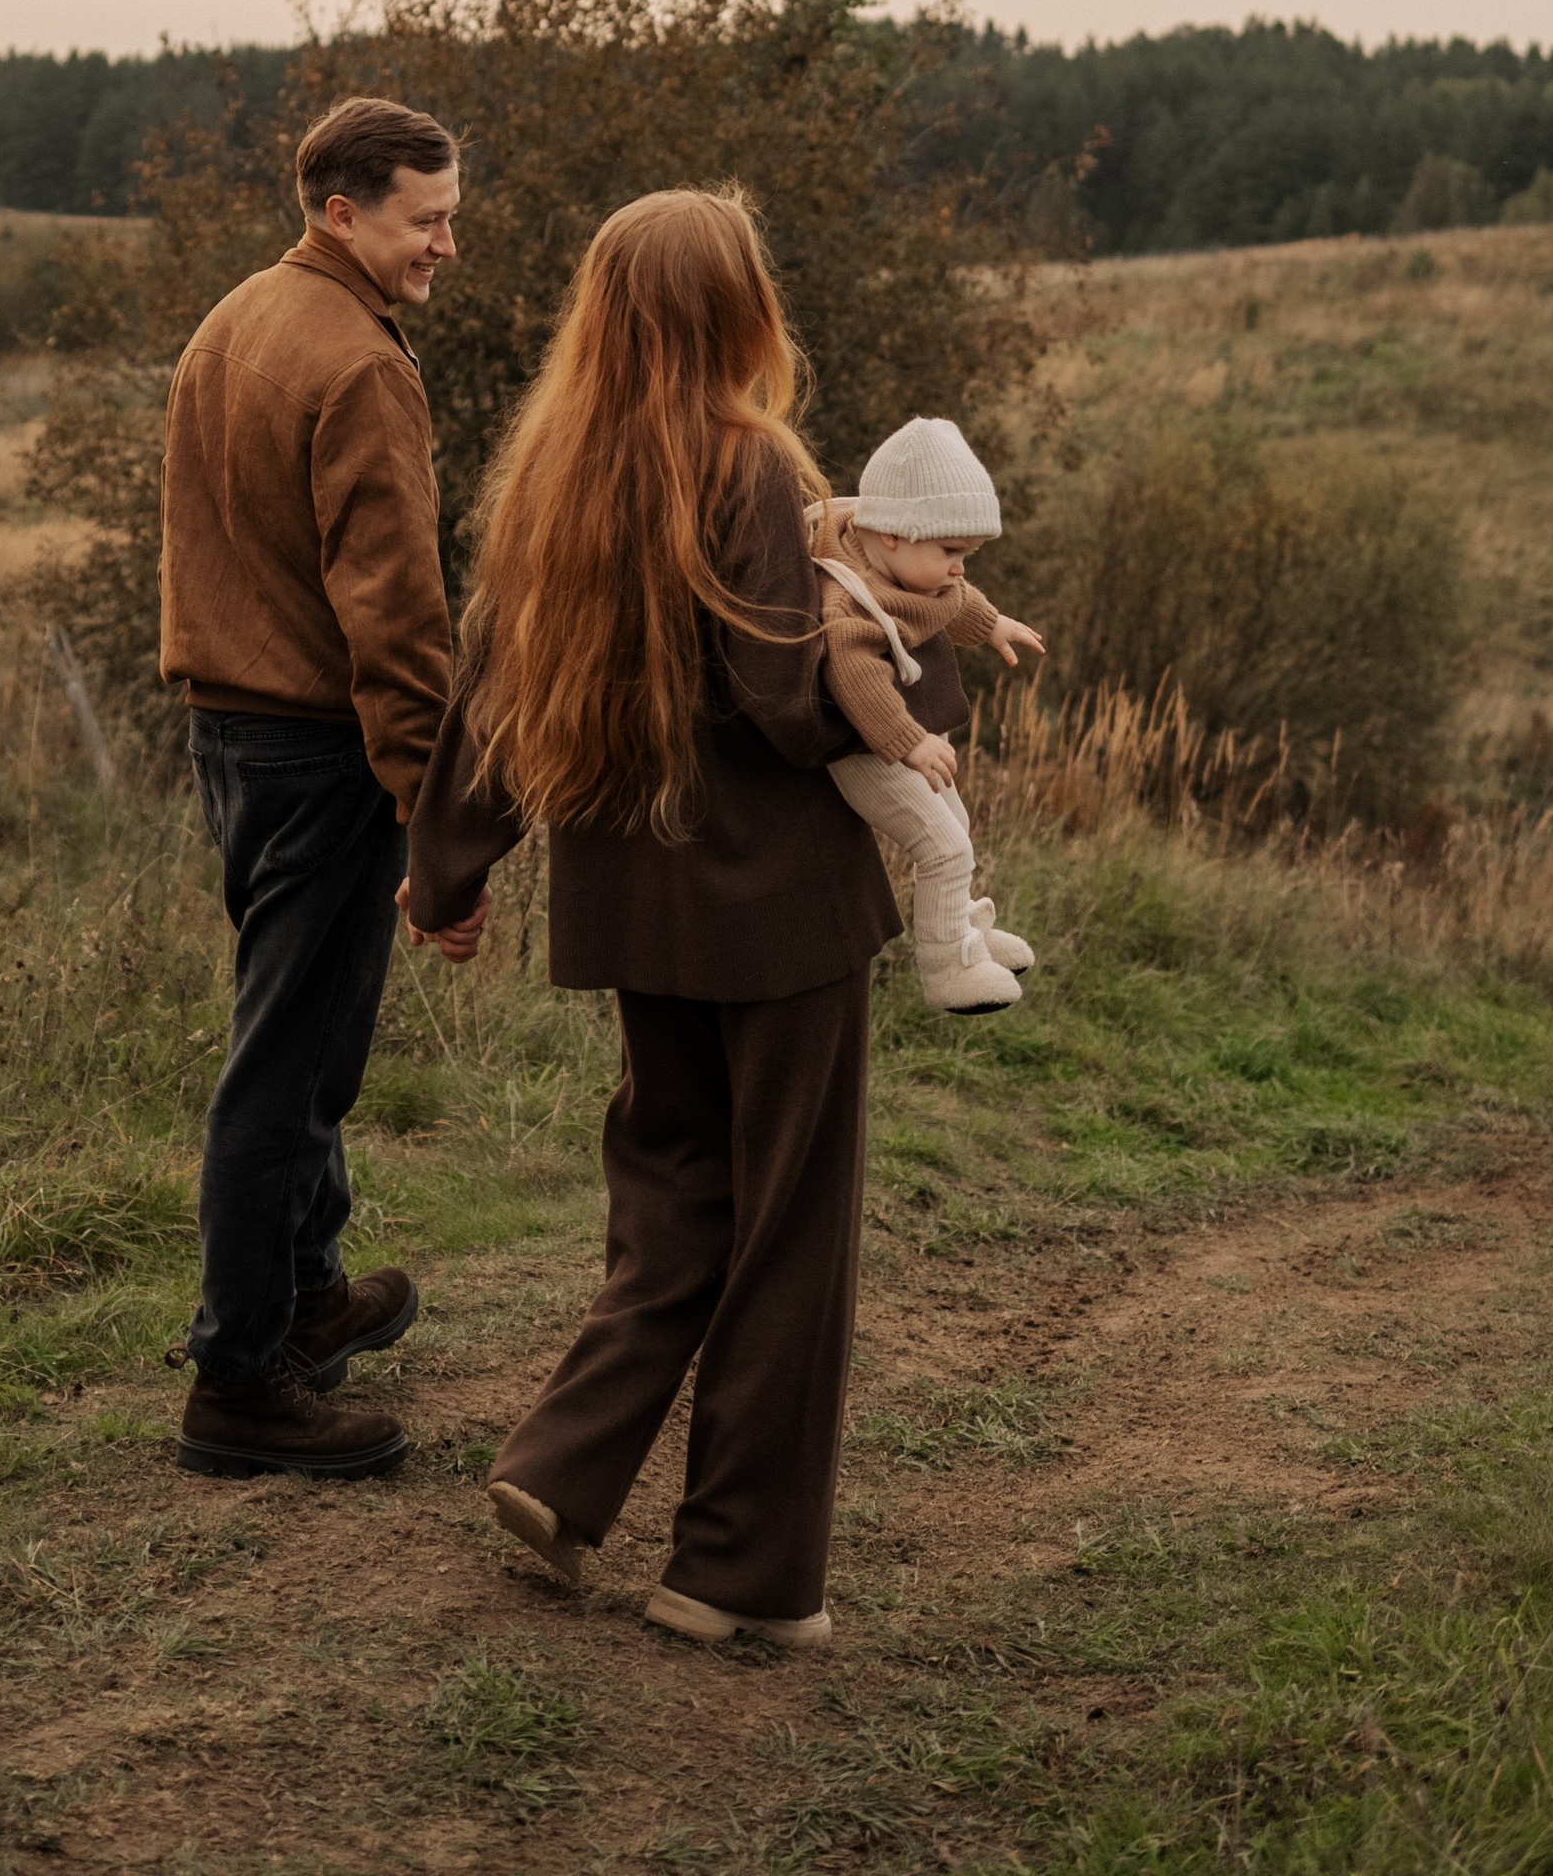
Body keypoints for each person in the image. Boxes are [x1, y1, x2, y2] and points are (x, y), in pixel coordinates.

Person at [405, 188, 894, 1649]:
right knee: (789, 1231)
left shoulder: (554, 466)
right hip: (778, 915)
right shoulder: (747, 465)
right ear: (740, 306)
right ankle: (733, 1578)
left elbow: (491, 694)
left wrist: (446, 871)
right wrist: (914, 679)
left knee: (677, 1198)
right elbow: (787, 704)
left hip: (634, 909)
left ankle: (559, 1472)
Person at [159, 91, 481, 1481]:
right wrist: (434, 813)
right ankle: (239, 1378)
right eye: (428, 219)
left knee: (305, 1042)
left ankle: (305, 1299)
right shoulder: (357, 364)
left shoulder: (235, 319)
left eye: (451, 217)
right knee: (289, 1063)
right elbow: (398, 616)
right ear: (342, 212)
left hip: (233, 727)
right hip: (318, 744)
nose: (447, 245)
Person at [812, 417, 1047, 1015]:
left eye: (966, 553)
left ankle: (963, 927)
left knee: (955, 823)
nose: (960, 567)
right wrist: (908, 742)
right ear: (891, 533)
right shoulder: (847, 595)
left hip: (901, 736)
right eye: (951, 551)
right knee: (940, 845)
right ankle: (948, 968)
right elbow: (852, 672)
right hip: (869, 751)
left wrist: (993, 625)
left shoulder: (905, 564)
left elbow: (951, 600)